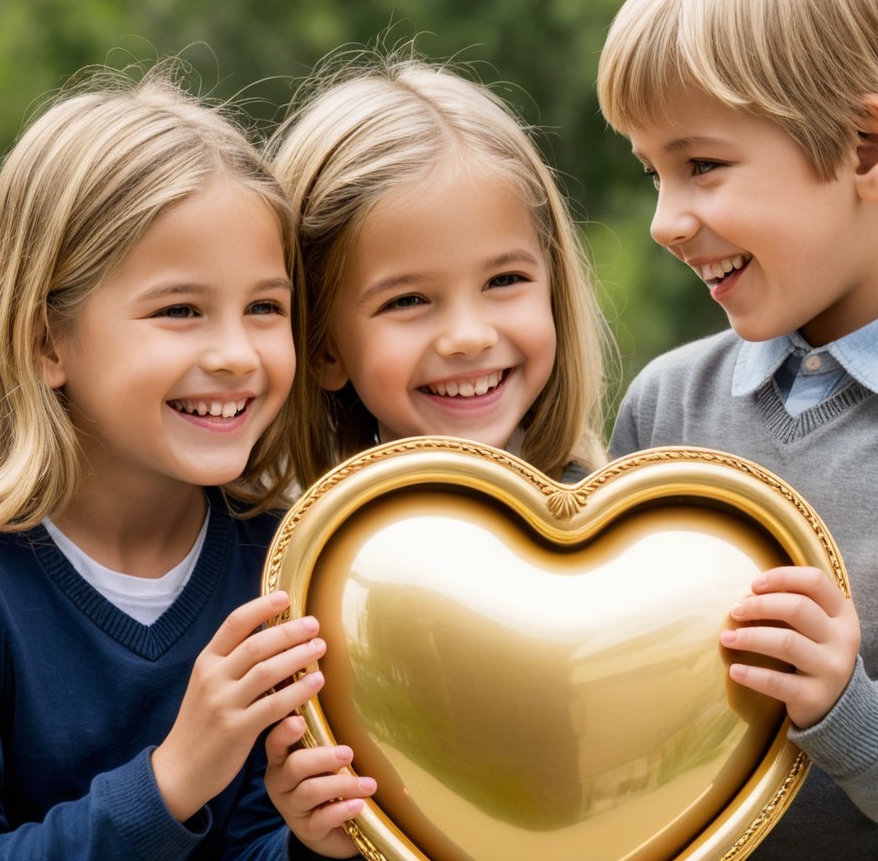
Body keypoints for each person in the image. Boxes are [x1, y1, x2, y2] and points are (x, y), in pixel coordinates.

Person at [0, 63, 369, 861]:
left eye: (264, 308)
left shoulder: (287, 561)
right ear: (47, 341)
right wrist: (170, 783)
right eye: (181, 310)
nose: (236, 354)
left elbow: (252, 843)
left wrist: (314, 845)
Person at [597, 0, 878, 858]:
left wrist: (854, 717)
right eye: (654, 173)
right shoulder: (666, 405)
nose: (664, 220)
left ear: (867, 149)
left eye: (703, 165)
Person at [258, 49, 614, 851]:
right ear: (322, 347)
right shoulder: (292, 583)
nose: (468, 335)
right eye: (409, 300)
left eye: (505, 282)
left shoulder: (626, 537)